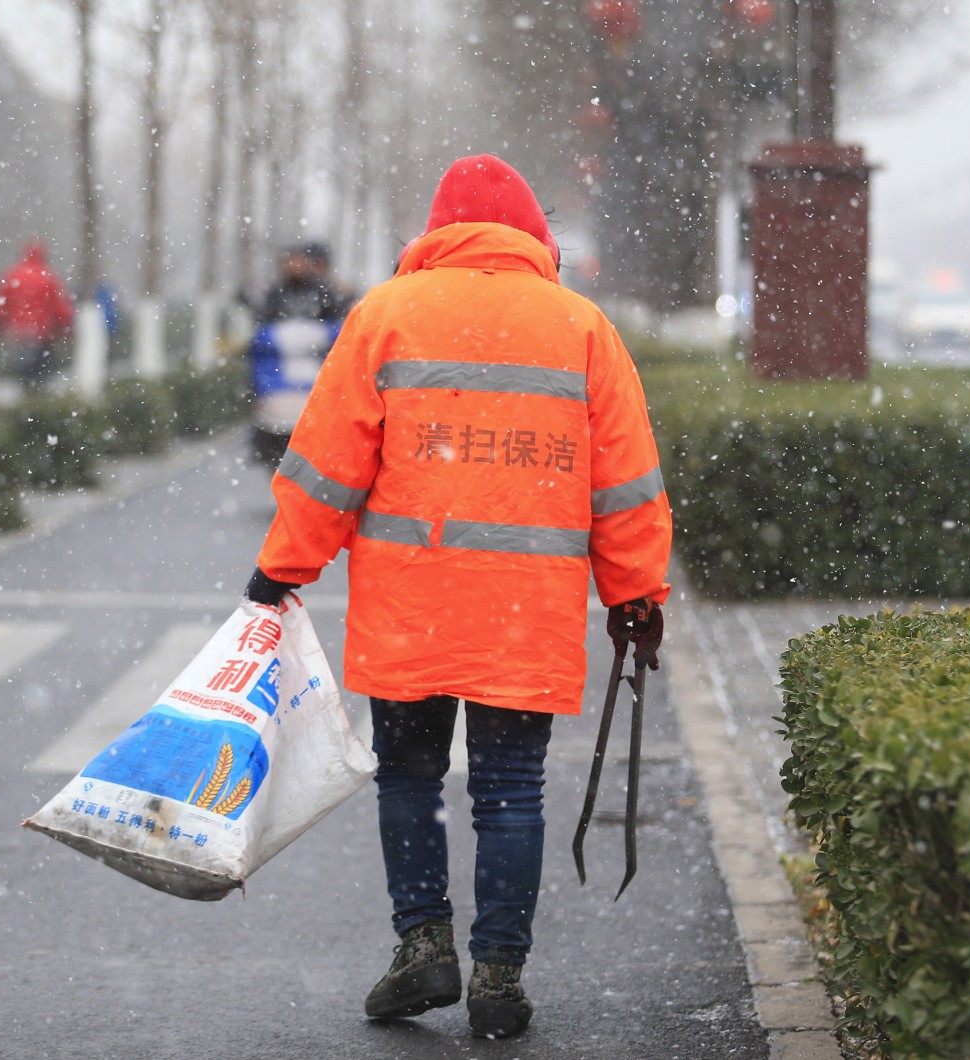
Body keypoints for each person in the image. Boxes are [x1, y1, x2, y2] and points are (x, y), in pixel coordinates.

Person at [240, 155, 672, 1039]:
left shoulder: (386, 317)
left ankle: (421, 945)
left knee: (409, 777)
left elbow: (329, 466)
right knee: (512, 789)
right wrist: (635, 595)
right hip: (528, 609)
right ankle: (501, 976)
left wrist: (282, 568)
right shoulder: (581, 327)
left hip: (411, 607)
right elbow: (626, 484)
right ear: (533, 235)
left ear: (435, 232)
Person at [246, 242, 351, 467]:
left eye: (301, 261)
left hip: (313, 379)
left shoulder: (323, 291)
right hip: (280, 385)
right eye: (291, 261)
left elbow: (337, 325)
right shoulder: (276, 293)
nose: (296, 266)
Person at [0, 242, 75, 391]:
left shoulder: (11, 276)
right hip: (42, 336)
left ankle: (24, 401)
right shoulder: (49, 278)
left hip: (18, 335)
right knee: (41, 377)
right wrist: (65, 328)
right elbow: (61, 308)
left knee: (22, 375)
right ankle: (39, 406)